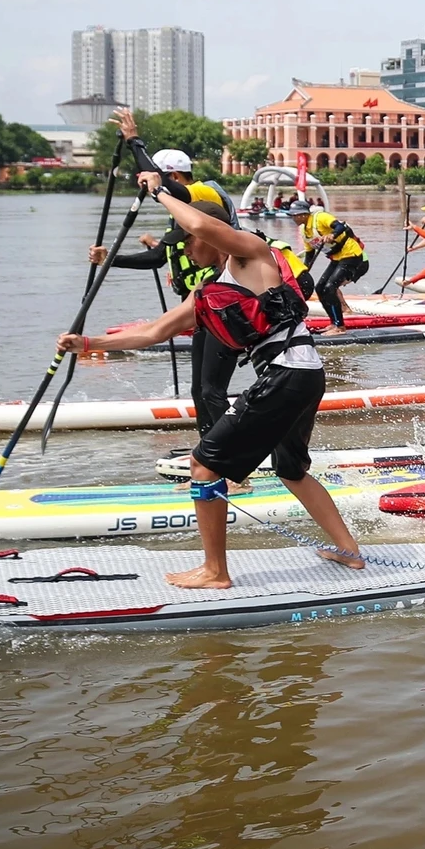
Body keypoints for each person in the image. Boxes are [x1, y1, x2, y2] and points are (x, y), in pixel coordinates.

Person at [62, 172, 365, 588]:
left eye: (187, 242)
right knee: (291, 469)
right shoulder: (208, 288)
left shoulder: (250, 255)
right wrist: (88, 342)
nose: (185, 249)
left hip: (286, 376)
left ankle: (215, 571)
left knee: (203, 466)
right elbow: (154, 332)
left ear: (210, 236)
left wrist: (159, 192)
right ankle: (350, 552)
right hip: (303, 376)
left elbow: (202, 224)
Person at [88, 110, 243, 434]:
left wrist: (134, 142)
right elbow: (158, 257)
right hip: (202, 307)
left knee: (212, 392)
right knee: (199, 392)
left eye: (154, 179)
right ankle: (207, 453)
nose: (148, 186)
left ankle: (231, 459)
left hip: (228, 301)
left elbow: (165, 184)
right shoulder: (181, 217)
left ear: (172, 175)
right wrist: (110, 258)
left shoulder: (205, 193)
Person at [294, 203, 370, 335]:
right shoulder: (304, 231)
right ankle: (333, 323)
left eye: (295, 216)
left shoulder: (320, 217)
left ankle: (340, 327)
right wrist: (302, 272)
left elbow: (340, 226)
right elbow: (310, 255)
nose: (293, 219)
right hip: (337, 258)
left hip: (351, 254)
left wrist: (333, 235)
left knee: (330, 287)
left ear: (304, 215)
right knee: (319, 288)